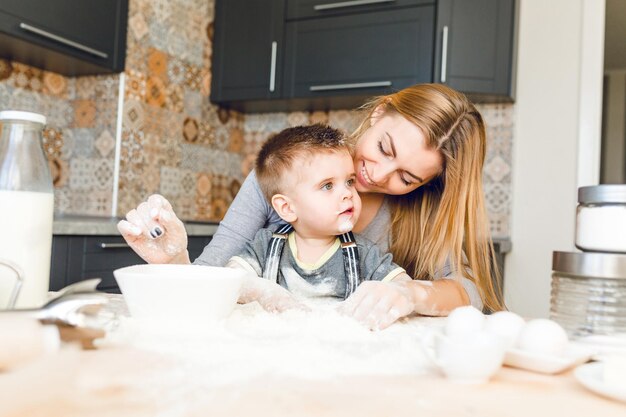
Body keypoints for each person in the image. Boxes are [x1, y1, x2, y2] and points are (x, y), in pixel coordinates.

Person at [118, 83, 504, 330]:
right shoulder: (285, 175)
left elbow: (468, 289)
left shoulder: (420, 212)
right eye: (385, 148)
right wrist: (174, 262)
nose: (380, 174)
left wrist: (411, 294)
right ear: (377, 114)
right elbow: (215, 273)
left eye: (407, 178)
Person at [226, 124, 410, 321]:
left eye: (349, 181)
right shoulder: (266, 244)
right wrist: (265, 292)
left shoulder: (364, 253)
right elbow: (231, 277)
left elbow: (403, 287)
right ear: (287, 208)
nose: (347, 193)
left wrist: (393, 293)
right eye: (327, 185)